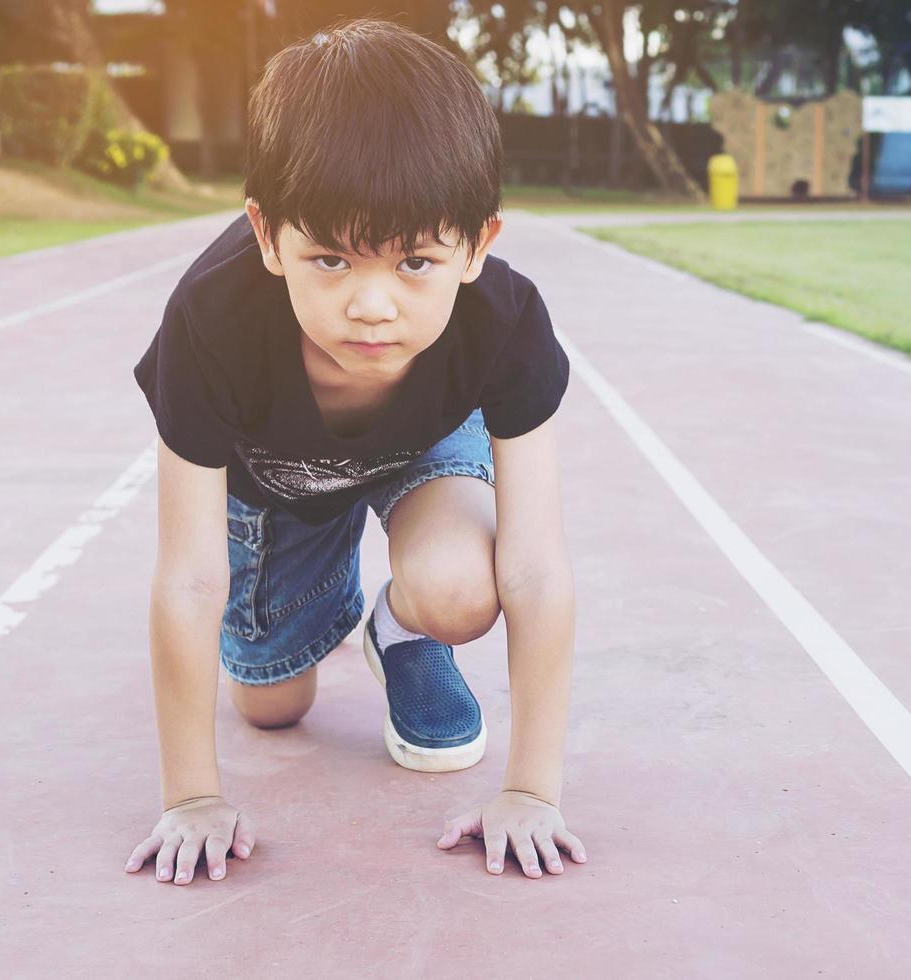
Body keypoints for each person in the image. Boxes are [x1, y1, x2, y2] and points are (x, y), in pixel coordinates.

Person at [122, 18, 586, 886]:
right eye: (330, 259)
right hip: (276, 483)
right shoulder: (207, 322)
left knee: (459, 587)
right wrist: (190, 796)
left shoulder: (508, 321)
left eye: (415, 262)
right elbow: (187, 575)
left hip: (422, 441)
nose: (373, 307)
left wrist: (533, 789)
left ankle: (402, 626)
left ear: (479, 244)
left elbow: (536, 564)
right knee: (271, 707)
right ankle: (322, 585)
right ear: (267, 237)